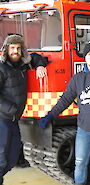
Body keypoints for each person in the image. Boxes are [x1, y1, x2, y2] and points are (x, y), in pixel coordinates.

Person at [38, 42, 90, 185]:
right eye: (89, 54)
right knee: (80, 162)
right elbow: (65, 99)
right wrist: (51, 115)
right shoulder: (78, 79)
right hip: (84, 130)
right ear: (85, 58)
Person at [0, 34, 47, 185]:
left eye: (19, 48)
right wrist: (12, 109)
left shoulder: (22, 64)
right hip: (3, 119)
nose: (16, 51)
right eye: (13, 48)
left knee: (13, 157)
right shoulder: (1, 67)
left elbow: (36, 57)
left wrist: (40, 65)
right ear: (6, 49)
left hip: (14, 120)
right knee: (1, 158)